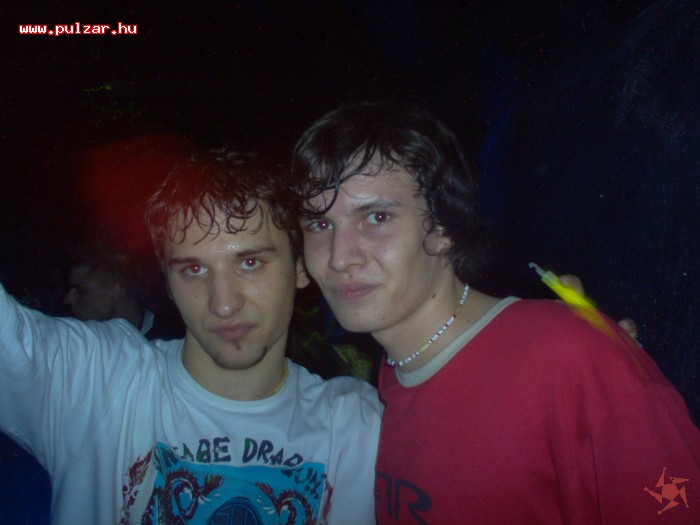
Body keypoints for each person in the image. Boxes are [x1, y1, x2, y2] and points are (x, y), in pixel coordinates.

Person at [290, 101, 700, 524]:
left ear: (445, 228)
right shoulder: (394, 376)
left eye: (377, 217)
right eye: (320, 224)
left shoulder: (571, 356)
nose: (339, 257)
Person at [0, 149, 382, 524]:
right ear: (167, 283)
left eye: (250, 263)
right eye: (194, 270)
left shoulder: (354, 427)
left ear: (300, 266)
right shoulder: (95, 383)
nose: (224, 304)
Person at [63, 245, 157, 336]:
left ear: (115, 292)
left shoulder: (161, 339)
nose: (68, 299)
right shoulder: (85, 339)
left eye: (80, 291)